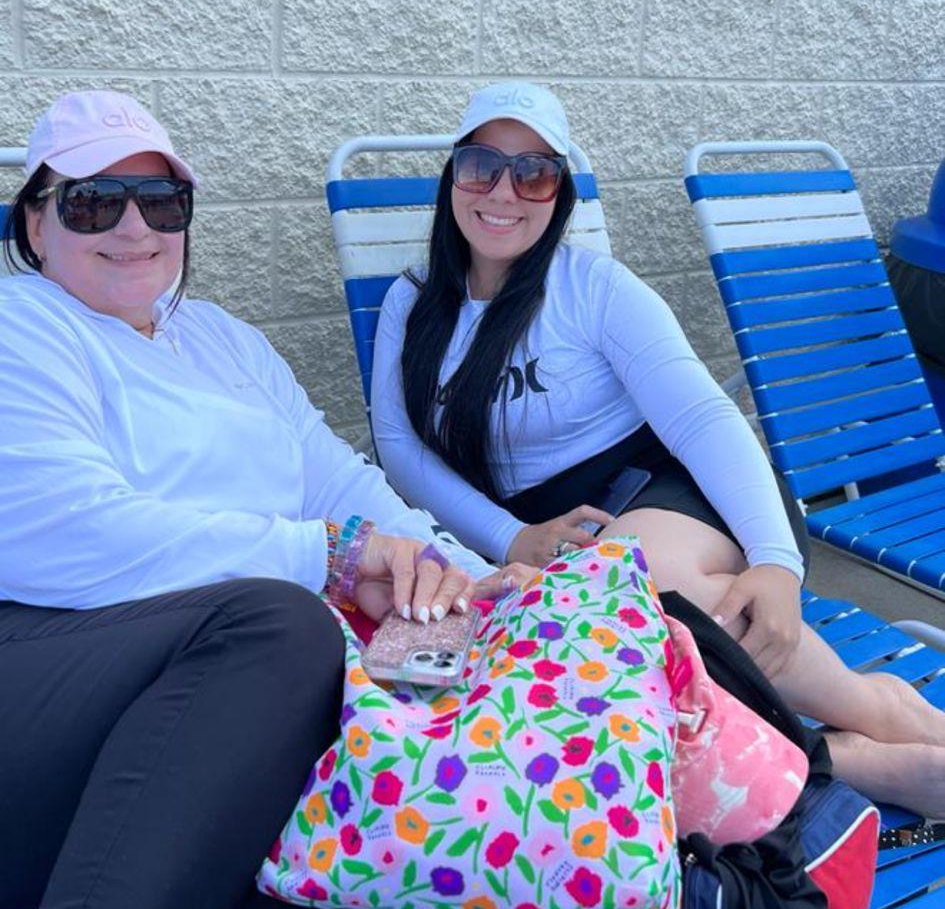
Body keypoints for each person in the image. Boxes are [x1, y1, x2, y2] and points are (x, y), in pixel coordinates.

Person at [0, 90, 527, 909]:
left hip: (209, 772)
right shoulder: (21, 327)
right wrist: (322, 554)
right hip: (42, 713)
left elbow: (343, 482)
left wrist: (451, 571)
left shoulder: (226, 342)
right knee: (280, 623)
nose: (133, 226)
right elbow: (52, 532)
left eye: (162, 203)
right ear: (34, 220)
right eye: (92, 201)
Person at [372, 80, 945, 815]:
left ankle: (882, 712)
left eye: (534, 172)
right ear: (452, 177)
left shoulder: (595, 290)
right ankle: (831, 757)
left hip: (664, 488)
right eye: (482, 165)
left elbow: (705, 420)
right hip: (543, 535)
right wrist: (510, 537)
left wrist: (775, 560)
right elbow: (399, 450)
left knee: (639, 585)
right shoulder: (411, 302)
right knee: (603, 633)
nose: (503, 193)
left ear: (559, 194)